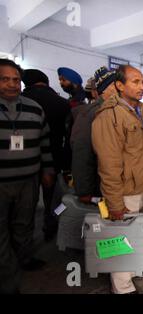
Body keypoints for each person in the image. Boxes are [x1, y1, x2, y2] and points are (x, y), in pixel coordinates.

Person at [91, 65, 143, 294]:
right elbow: (108, 165)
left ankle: (132, 273)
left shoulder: (140, 110)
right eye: (136, 82)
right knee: (121, 238)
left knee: (135, 235)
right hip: (125, 190)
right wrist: (114, 202)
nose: (142, 87)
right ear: (119, 85)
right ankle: (123, 288)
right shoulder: (109, 115)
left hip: (142, 186)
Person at [0, 59, 55, 294]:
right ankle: (7, 277)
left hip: (29, 179)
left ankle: (24, 258)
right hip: (1, 182)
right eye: (5, 79)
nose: (12, 84)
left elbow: (45, 142)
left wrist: (48, 170)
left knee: (25, 223)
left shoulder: (34, 108)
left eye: (16, 80)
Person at [21, 69, 71, 241]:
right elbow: (68, 135)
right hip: (55, 158)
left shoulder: (22, 101)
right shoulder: (62, 103)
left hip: (24, 163)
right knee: (53, 198)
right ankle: (50, 226)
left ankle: (23, 238)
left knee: (25, 205)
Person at [70, 66, 116, 204]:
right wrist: (84, 190)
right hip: (98, 183)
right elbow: (82, 151)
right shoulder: (92, 113)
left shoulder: (118, 109)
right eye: (116, 84)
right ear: (108, 87)